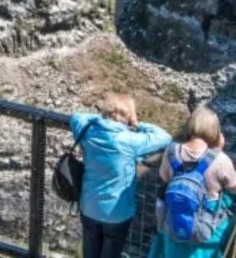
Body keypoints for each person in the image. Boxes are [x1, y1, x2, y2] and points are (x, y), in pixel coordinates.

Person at [72, 93, 173, 258]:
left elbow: (77, 116)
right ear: (128, 115)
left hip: (89, 206)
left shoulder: (89, 130)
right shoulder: (130, 140)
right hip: (117, 213)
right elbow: (165, 138)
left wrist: (102, 118)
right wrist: (137, 124)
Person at [149, 106, 236, 258]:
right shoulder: (220, 159)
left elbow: (165, 177)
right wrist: (217, 151)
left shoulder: (172, 151)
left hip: (175, 217)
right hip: (207, 223)